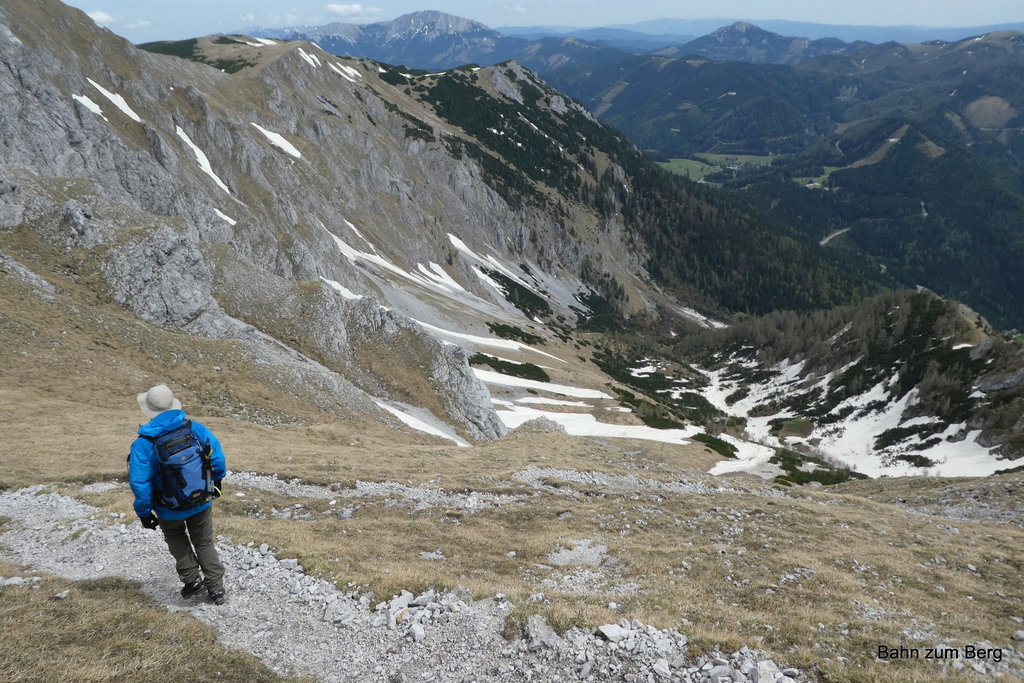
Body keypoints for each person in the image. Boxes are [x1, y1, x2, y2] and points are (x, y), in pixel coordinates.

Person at [129, 384, 228, 605]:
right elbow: (217, 459)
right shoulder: (195, 429)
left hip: (167, 507)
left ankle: (192, 579)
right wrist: (216, 482)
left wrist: (144, 513)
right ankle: (216, 589)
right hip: (201, 499)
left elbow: (140, 483)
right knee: (204, 542)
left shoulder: (143, 444)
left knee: (175, 537)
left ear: (149, 410)